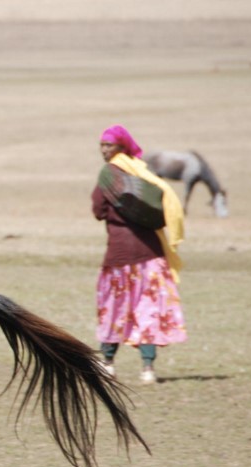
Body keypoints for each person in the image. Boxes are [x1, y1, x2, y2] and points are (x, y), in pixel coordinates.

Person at [92, 125, 187, 384]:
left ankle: (107, 364)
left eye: (108, 145)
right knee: (149, 311)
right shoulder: (142, 172)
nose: (104, 150)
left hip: (119, 256)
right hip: (151, 255)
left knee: (113, 309)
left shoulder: (108, 174)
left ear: (121, 148)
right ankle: (148, 369)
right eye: (102, 145)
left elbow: (99, 210)